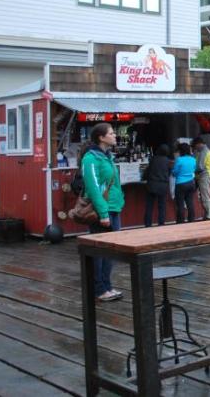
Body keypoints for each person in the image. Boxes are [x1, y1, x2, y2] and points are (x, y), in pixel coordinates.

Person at [82, 122, 125, 302]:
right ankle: (99, 289)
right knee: (99, 252)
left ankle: (107, 286)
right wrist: (103, 213)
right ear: (101, 137)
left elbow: (114, 183)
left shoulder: (108, 157)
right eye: (111, 133)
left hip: (114, 207)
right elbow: (92, 187)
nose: (115, 136)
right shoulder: (90, 159)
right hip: (103, 211)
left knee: (111, 251)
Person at [143, 144, 170, 227]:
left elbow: (147, 171)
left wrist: (144, 177)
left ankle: (148, 224)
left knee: (149, 206)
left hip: (152, 185)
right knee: (162, 206)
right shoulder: (168, 161)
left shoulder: (153, 159)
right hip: (163, 185)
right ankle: (161, 224)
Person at [171, 142, 197, 224]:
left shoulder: (179, 160)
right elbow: (194, 170)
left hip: (181, 184)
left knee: (180, 204)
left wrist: (173, 172)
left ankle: (180, 222)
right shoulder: (193, 159)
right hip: (191, 183)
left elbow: (175, 172)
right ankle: (191, 220)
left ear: (181, 151)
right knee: (190, 203)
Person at [192, 137, 210, 221]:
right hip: (203, 176)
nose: (195, 148)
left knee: (205, 196)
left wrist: (191, 169)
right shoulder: (202, 151)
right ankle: (207, 214)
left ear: (199, 144)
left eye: (195, 146)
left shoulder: (204, 152)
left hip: (204, 175)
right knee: (203, 196)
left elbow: (200, 167)